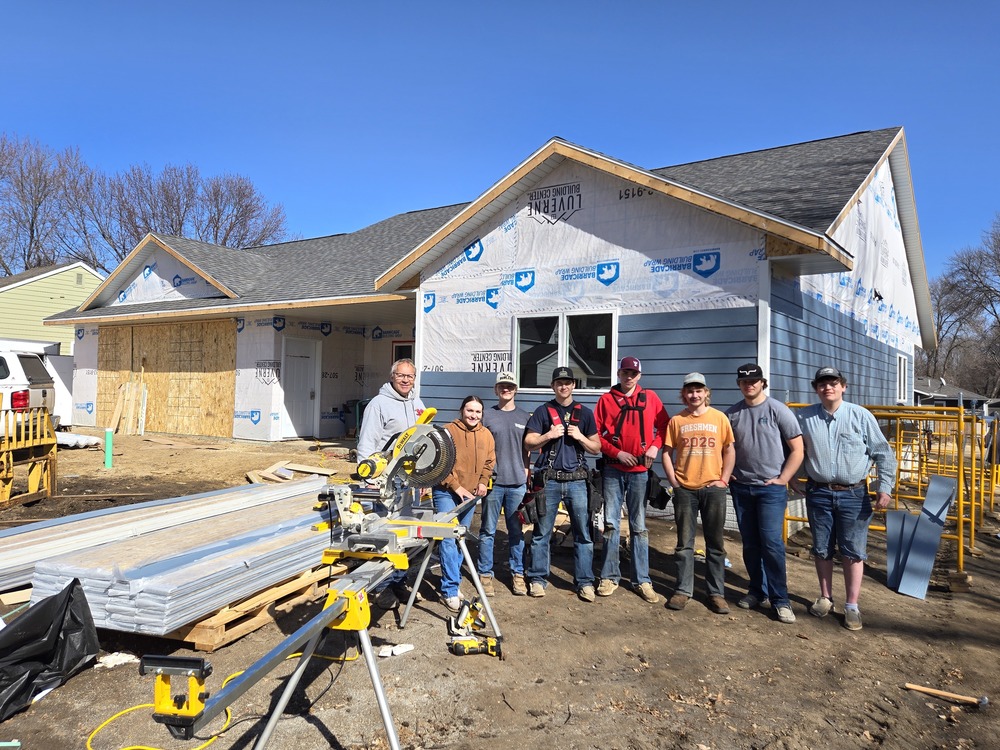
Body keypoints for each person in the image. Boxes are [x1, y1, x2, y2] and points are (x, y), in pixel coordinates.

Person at [797, 366, 897, 631]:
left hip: (854, 494)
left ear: (843, 386)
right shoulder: (804, 417)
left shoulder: (860, 416)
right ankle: (825, 597)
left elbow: (883, 454)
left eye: (833, 382)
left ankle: (852, 605)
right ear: (815, 388)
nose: (827, 387)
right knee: (821, 548)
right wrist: (792, 476)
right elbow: (795, 450)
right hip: (818, 492)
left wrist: (884, 487)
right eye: (822, 383)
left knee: (853, 551)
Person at [725, 363, 804, 624]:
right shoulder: (732, 414)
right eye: (745, 382)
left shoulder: (778, 410)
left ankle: (781, 600)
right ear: (739, 384)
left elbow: (797, 449)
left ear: (762, 383)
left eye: (754, 381)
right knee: (750, 543)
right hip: (742, 488)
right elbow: (725, 449)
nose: (750, 385)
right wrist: (728, 473)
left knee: (772, 544)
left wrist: (784, 478)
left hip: (770, 490)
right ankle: (756, 591)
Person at [593, 356, 669, 603]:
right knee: (611, 523)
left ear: (639, 376)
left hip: (640, 473)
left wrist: (655, 447)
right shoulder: (606, 401)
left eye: (633, 373)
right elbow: (595, 437)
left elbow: (665, 427)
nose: (629, 377)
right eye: (625, 372)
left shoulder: (651, 399)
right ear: (618, 373)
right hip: (614, 470)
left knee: (639, 526)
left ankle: (642, 580)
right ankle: (609, 576)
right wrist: (617, 453)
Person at [523, 366, 601, 601]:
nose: (563, 386)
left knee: (583, 534)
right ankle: (537, 578)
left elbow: (597, 447)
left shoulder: (585, 413)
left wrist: (580, 437)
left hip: (577, 481)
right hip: (550, 481)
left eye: (567, 383)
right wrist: (548, 435)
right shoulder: (543, 411)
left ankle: (585, 582)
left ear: (573, 385)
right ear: (553, 386)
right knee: (541, 533)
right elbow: (528, 442)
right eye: (559, 383)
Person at [661, 372, 735, 614]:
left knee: (716, 544)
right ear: (684, 395)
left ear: (706, 393)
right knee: (684, 544)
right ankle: (683, 590)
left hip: (713, 489)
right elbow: (666, 453)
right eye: (689, 391)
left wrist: (724, 479)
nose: (694, 394)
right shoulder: (677, 421)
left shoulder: (720, 418)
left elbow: (729, 450)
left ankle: (716, 593)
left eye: (698, 390)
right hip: (685, 490)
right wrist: (674, 481)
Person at [355, 358, 425, 607]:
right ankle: (381, 587)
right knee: (385, 533)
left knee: (403, 533)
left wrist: (423, 476)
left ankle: (398, 580)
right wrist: (369, 477)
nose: (406, 380)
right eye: (401, 375)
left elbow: (422, 440)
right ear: (392, 376)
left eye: (410, 376)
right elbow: (367, 442)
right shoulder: (379, 404)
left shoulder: (417, 403)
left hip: (408, 478)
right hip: (385, 480)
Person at [433, 396, 496, 612]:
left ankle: (454, 580)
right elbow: (439, 463)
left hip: (470, 494)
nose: (473, 415)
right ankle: (450, 589)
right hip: (446, 492)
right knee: (448, 539)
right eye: (470, 410)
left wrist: (482, 482)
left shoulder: (486, 434)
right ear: (462, 410)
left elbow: (489, 462)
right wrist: (455, 486)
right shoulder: (448, 431)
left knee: (460, 539)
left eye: (478, 412)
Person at [478, 371, 531, 596]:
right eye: (502, 386)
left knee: (516, 532)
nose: (506, 389)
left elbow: (528, 450)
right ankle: (485, 574)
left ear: (515, 389)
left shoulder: (525, 417)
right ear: (496, 389)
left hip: (517, 483)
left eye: (510, 386)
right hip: (493, 483)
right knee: (488, 530)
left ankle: (518, 574)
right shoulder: (487, 416)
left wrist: (527, 473)